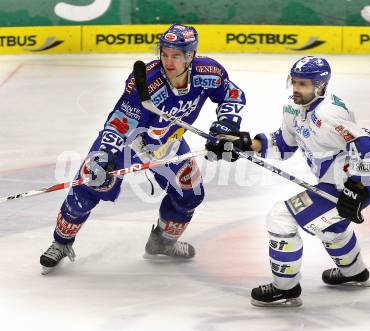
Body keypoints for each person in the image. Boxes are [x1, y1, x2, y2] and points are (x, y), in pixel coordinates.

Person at [39, 23, 247, 274]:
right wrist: (105, 156)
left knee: (190, 195)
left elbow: (232, 94)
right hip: (129, 143)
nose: (168, 61)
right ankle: (61, 243)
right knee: (89, 185)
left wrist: (226, 127)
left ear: (190, 56)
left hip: (168, 144)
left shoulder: (209, 72)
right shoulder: (146, 81)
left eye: (176, 55)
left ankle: (162, 241)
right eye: (165, 53)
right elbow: (120, 121)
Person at [207, 56, 370, 307]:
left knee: (281, 217)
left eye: (303, 84)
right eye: (294, 82)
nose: (296, 89)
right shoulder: (293, 107)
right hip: (331, 185)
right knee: (331, 229)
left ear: (320, 86)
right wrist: (245, 144)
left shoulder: (330, 114)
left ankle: (285, 288)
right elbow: (284, 144)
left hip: (348, 188)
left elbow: (369, 149)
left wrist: (357, 189)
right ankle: (354, 272)